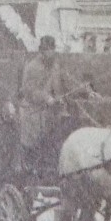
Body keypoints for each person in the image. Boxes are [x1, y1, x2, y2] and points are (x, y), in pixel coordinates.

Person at [18, 36, 66, 176]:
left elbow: (59, 85)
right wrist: (46, 98)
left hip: (50, 112)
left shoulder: (55, 65)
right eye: (47, 50)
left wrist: (60, 98)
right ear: (42, 51)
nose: (50, 53)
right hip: (33, 111)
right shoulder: (32, 67)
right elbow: (28, 90)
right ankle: (30, 169)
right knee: (33, 141)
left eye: (52, 50)